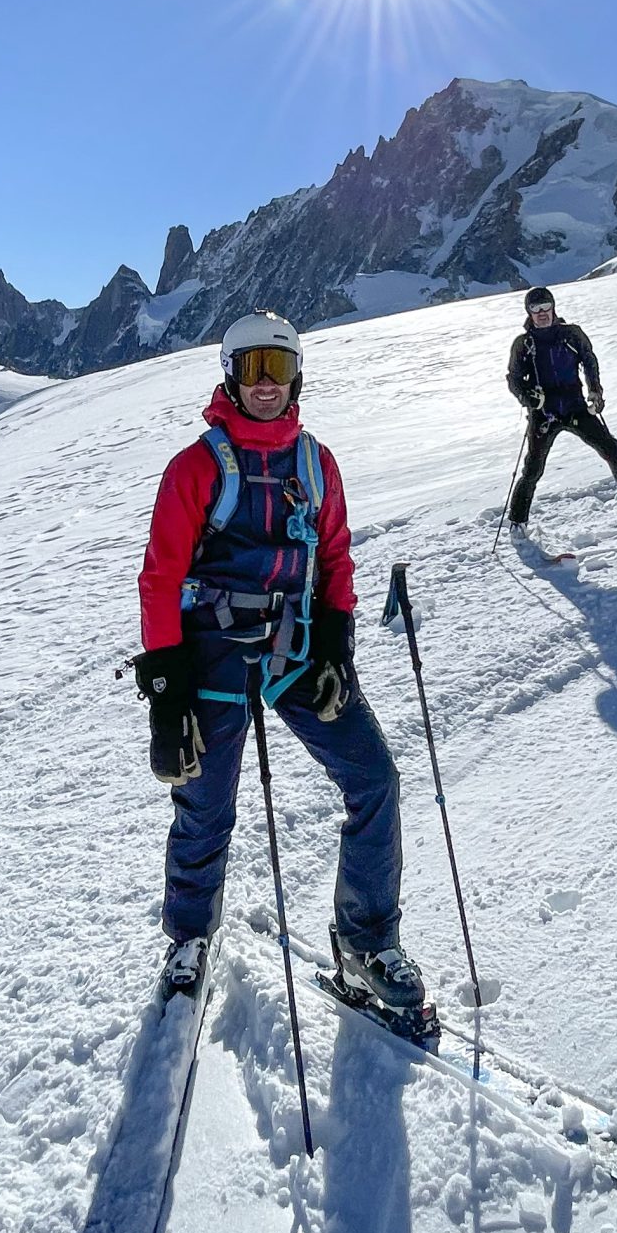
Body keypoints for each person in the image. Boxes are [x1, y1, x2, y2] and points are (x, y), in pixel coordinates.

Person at [133, 310, 429, 1017]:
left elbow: (334, 558)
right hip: (212, 659)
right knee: (205, 808)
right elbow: (160, 577)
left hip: (295, 651)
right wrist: (168, 694)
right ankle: (189, 939)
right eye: (252, 369)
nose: (267, 385)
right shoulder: (196, 467)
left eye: (280, 368)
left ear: (298, 376)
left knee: (375, 778)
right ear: (229, 377)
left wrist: (337, 647)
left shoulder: (315, 463)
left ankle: (367, 941)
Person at [505, 285, 617, 527]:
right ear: (529, 312)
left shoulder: (571, 334)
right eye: (536, 308)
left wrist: (595, 391)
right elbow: (514, 378)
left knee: (614, 452)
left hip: (576, 407)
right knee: (532, 470)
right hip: (544, 414)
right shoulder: (523, 344)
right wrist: (528, 398)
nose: (542, 312)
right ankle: (517, 521)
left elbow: (589, 361)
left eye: (546, 307)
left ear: (553, 308)